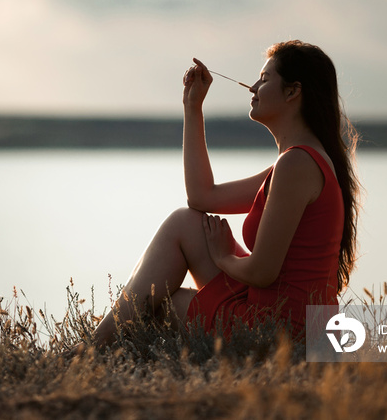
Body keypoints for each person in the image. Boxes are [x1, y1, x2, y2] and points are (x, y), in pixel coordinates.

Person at [91, 40, 360, 346]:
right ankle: (95, 345)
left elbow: (262, 272)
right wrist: (192, 107)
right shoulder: (298, 160)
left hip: (280, 332)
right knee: (186, 222)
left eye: (265, 78)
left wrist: (223, 257)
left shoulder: (297, 164)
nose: (253, 87)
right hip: (282, 317)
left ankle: (89, 350)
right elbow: (202, 197)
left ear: (292, 91)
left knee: (162, 304)